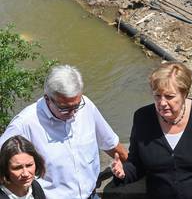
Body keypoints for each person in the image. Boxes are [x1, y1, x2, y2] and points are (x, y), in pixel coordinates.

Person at [111, 62, 192, 199]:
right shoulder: (142, 118)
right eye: (157, 96)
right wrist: (122, 172)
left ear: (185, 94)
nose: (162, 103)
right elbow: (136, 164)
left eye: (169, 96)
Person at [0, 65, 128, 199]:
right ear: (47, 98)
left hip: (91, 195)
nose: (73, 113)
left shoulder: (87, 106)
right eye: (65, 108)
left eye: (76, 106)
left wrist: (133, 166)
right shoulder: (24, 124)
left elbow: (111, 143)